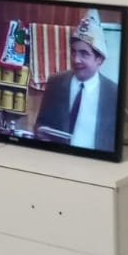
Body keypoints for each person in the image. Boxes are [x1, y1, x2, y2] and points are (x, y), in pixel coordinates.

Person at [35, 9, 118, 152]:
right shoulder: (55, 83)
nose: (76, 60)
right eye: (74, 52)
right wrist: (41, 135)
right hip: (57, 157)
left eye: (84, 54)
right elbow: (41, 124)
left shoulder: (113, 92)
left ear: (100, 59)